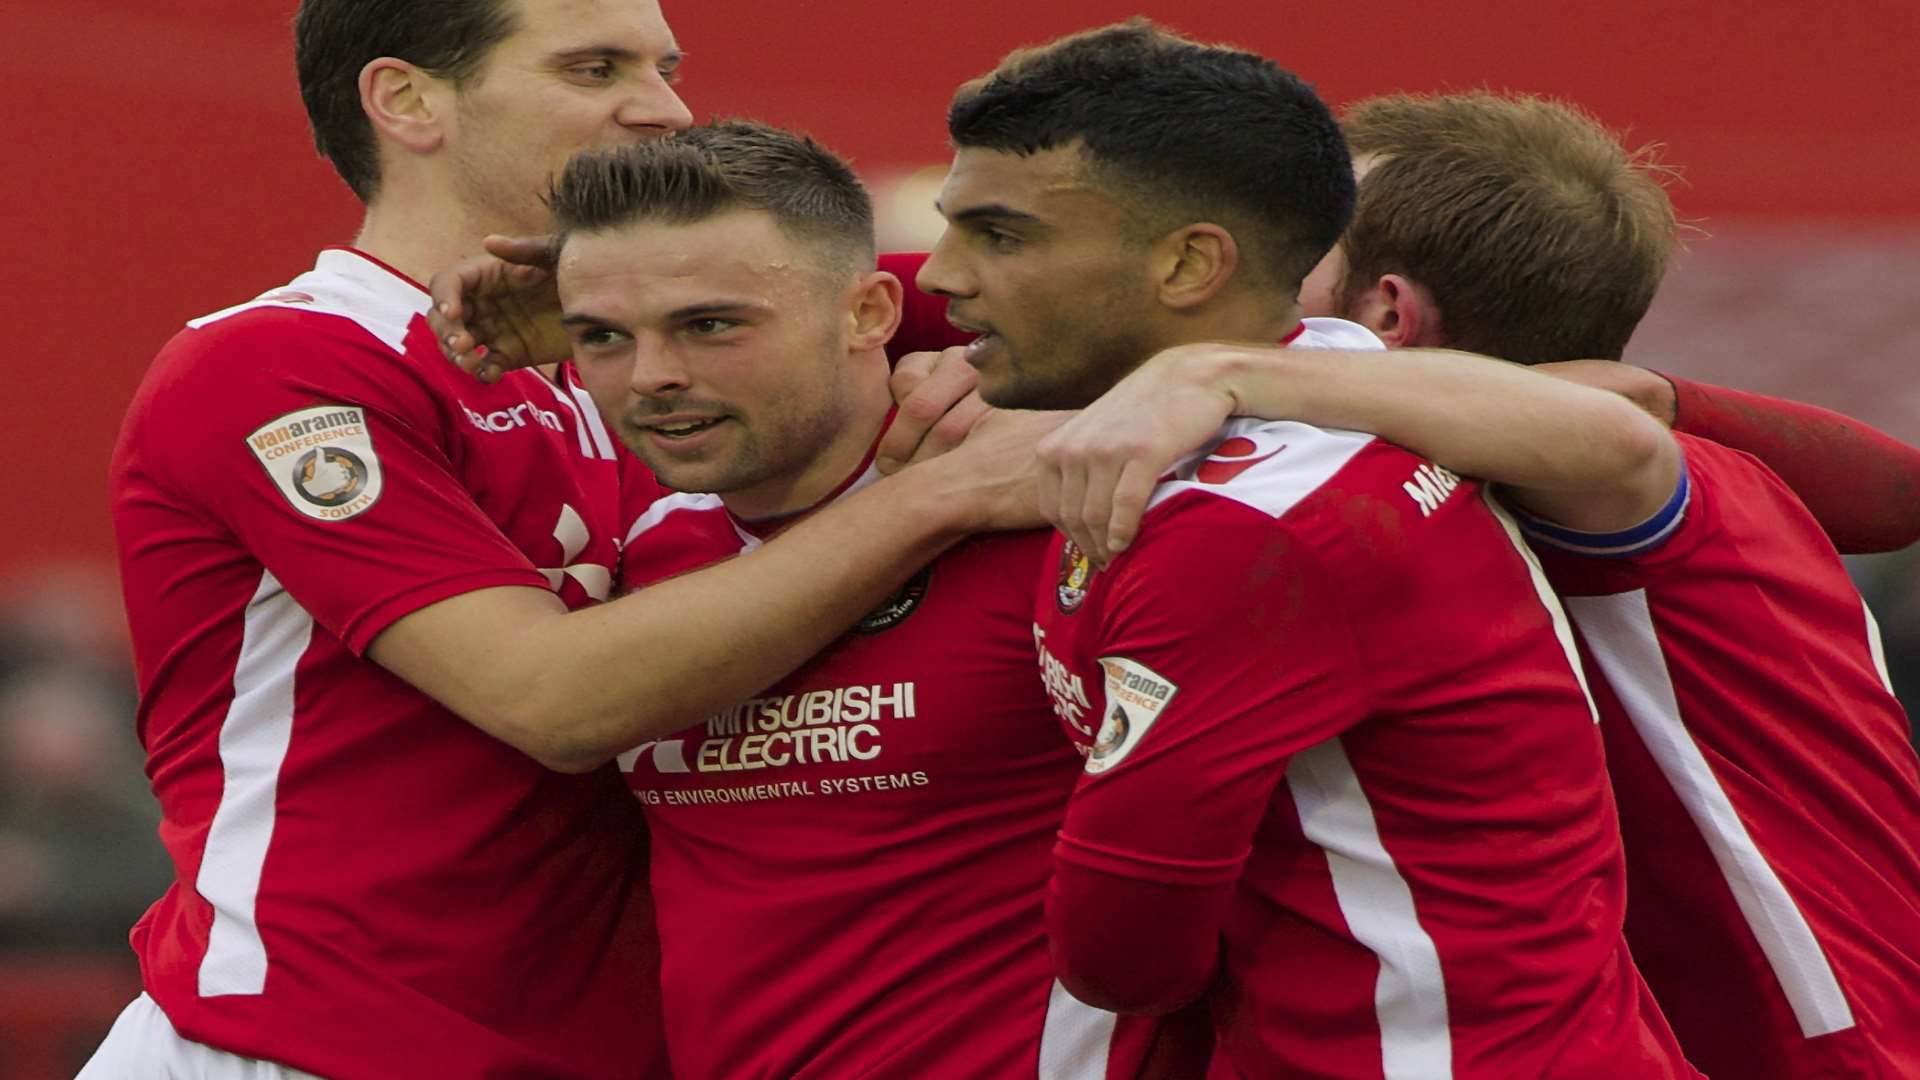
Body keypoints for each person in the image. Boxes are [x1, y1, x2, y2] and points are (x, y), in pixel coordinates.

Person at [92, 1, 1040, 1076]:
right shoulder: (284, 363)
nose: (666, 109)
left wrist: (1219, 371)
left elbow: (1146, 296)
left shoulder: (635, 367)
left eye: (666, 66)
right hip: (316, 1043)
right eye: (595, 69)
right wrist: (939, 494)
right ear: (406, 101)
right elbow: (554, 699)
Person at [1028, 91, 1920, 1079]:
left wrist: (1220, 372)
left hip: (1825, 1048)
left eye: (1296, 244)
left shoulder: (1624, 478)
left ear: (1388, 312)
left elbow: (1832, 479)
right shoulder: (1499, 463)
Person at [914, 23, 1698, 1077]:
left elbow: (1125, 956)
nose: (942, 275)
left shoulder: (1245, 530)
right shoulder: (1342, 380)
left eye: (1001, 236)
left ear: (1191, 261)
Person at [543, 119, 1204, 1079]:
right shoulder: (628, 545)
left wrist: (1207, 381)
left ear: (868, 313)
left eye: (711, 324)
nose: (651, 378)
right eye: (602, 337)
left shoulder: (1073, 506)